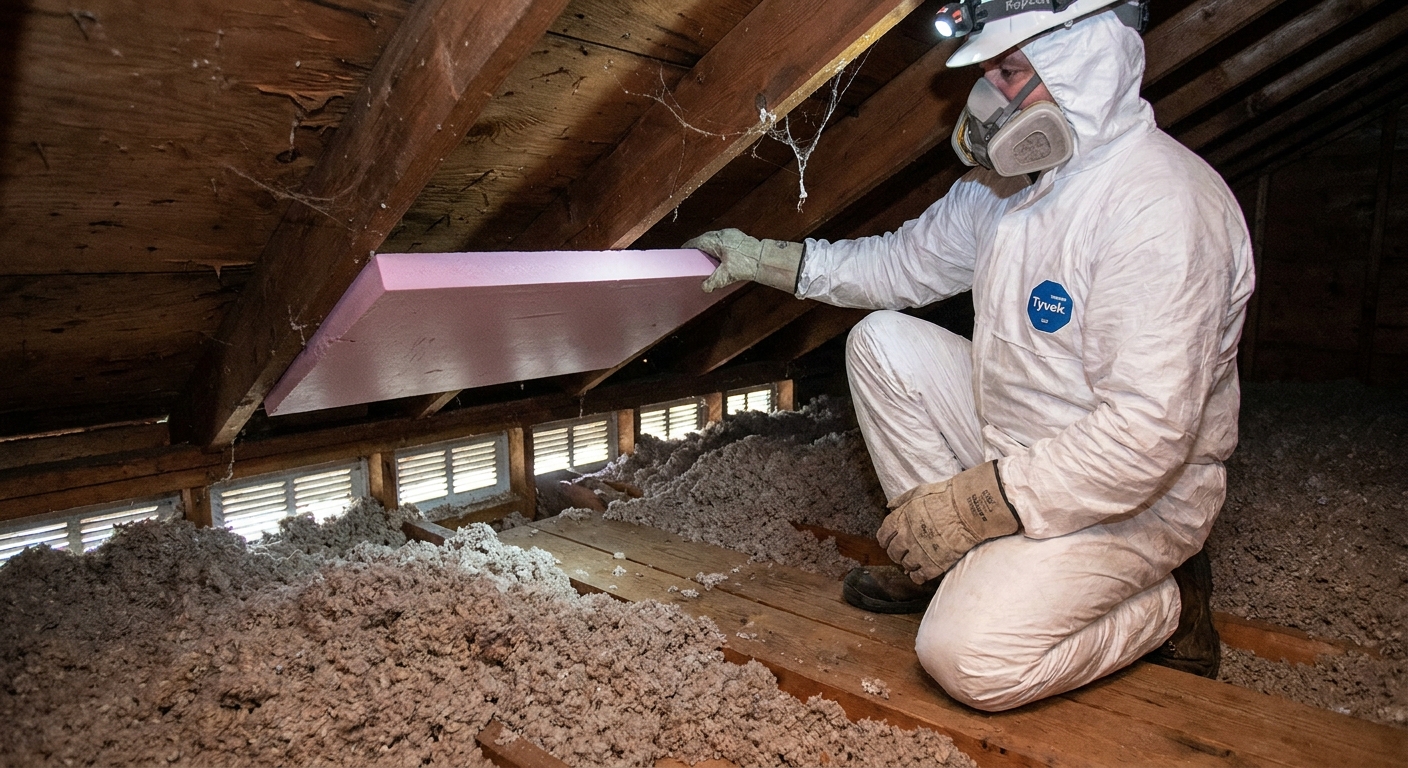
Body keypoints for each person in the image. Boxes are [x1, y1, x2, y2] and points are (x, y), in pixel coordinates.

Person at [685, 0, 1254, 712]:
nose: (987, 98)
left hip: (1136, 491)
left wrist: (977, 502)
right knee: (882, 342)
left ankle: (1166, 603)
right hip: (1019, 439)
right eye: (990, 71)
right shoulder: (1005, 190)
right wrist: (768, 260)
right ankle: (959, 565)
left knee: (967, 660)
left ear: (1080, 68)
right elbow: (898, 265)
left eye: (1009, 71)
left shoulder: (1161, 210)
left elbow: (1147, 437)